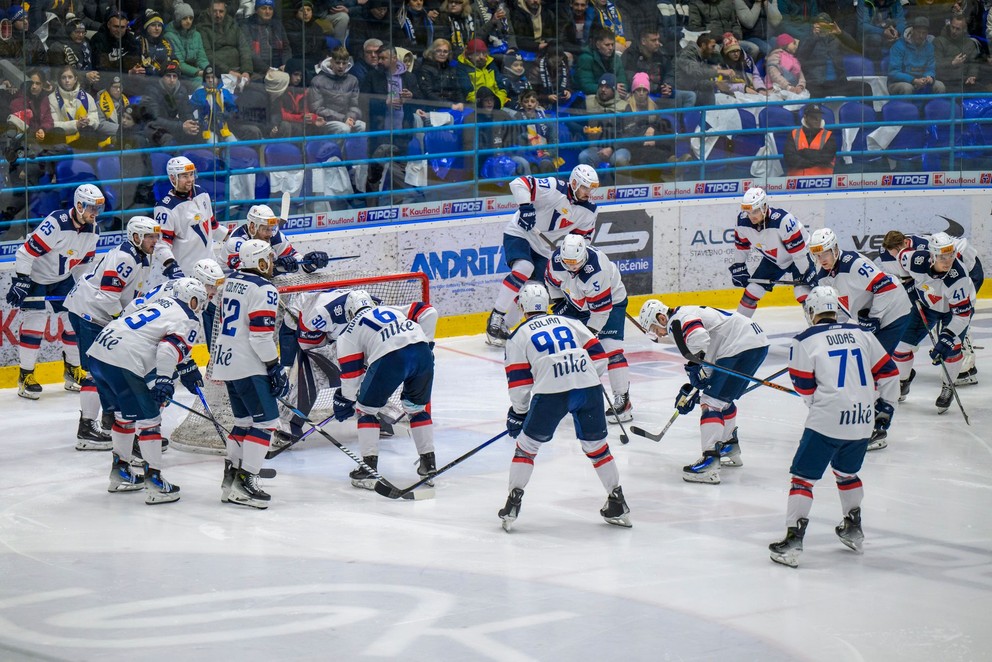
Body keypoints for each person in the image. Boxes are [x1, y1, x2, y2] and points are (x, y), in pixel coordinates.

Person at [769, 285, 899, 567]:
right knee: (847, 473)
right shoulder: (862, 334)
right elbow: (889, 372)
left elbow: (804, 387)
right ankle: (853, 527)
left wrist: (822, 403)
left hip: (827, 420)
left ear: (812, 311)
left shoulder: (804, 340)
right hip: (863, 419)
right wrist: (885, 410)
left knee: (803, 479)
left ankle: (793, 541)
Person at [499, 282, 630, 531]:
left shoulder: (517, 336)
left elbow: (519, 385)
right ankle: (617, 500)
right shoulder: (570, 322)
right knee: (597, 447)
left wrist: (519, 413)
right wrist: (583, 375)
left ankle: (513, 503)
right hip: (587, 386)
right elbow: (600, 357)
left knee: (527, 447)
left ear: (522, 306)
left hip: (551, 392)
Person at [87, 278, 206, 504]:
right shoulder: (189, 318)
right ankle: (155, 481)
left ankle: (120, 472)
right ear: (193, 299)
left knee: (123, 417)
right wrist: (164, 380)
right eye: (200, 300)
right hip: (123, 359)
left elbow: (148, 328)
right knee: (150, 419)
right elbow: (167, 349)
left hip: (99, 352)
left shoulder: (161, 303)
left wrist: (186, 366)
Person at [638, 297, 769, 483]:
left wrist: (701, 375)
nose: (657, 333)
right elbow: (703, 354)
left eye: (653, 328)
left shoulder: (678, 320)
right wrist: (695, 385)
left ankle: (710, 460)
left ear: (661, 318)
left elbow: (700, 339)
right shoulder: (681, 316)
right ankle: (728, 445)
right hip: (754, 341)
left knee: (710, 402)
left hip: (739, 345)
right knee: (722, 399)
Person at [64, 216, 164, 451]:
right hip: (89, 313)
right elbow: (108, 296)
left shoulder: (140, 257)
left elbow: (129, 295)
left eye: (156, 236)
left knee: (110, 370)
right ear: (136, 236)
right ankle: (86, 428)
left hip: (98, 312)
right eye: (150, 236)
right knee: (95, 372)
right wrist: (123, 322)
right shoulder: (125, 258)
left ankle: (111, 418)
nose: (155, 241)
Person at [807, 228, 912, 450]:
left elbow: (885, 286)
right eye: (816, 255)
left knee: (874, 369)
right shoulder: (824, 278)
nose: (821, 259)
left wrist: (873, 318)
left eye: (824, 253)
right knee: (862, 368)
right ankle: (866, 417)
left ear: (835, 248)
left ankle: (880, 424)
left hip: (893, 312)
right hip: (871, 318)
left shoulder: (852, 263)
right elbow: (841, 311)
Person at [330, 289, 438, 489]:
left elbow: (351, 381)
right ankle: (428, 465)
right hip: (422, 352)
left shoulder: (349, 332)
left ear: (349, 312)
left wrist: (345, 400)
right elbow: (429, 312)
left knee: (366, 410)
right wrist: (427, 344)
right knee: (416, 409)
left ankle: (368, 470)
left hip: (391, 358)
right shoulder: (391, 309)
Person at [6, 184, 103, 401]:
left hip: (62, 278)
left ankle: (72, 370)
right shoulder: (57, 222)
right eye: (91, 208)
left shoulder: (94, 230)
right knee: (35, 322)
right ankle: (26, 376)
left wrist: (83, 290)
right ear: (79, 205)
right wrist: (22, 280)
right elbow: (25, 253)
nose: (95, 214)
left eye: (98, 209)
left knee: (73, 322)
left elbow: (84, 266)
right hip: (36, 276)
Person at [210, 240, 288, 509]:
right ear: (259, 261)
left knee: (243, 421)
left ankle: (231, 478)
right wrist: (274, 365)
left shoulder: (232, 281)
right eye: (268, 257)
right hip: (249, 363)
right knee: (266, 423)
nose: (272, 262)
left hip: (225, 361)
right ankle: (247, 481)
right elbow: (261, 337)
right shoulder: (265, 289)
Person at [485, 165, 599, 346]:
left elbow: (583, 241)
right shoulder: (554, 187)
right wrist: (525, 208)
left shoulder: (589, 211)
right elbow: (519, 183)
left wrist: (574, 256)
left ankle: (504, 327)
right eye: (586, 187)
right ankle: (496, 317)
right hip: (520, 232)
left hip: (543, 248)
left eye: (592, 189)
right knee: (524, 267)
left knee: (535, 289)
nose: (589, 193)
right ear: (575, 182)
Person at [878, 229, 982, 388]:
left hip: (968, 268)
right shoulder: (905, 255)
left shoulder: (929, 251)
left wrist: (949, 335)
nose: (896, 256)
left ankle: (965, 359)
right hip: (944, 269)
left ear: (906, 243)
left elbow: (955, 270)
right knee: (934, 306)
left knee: (954, 314)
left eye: (897, 252)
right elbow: (908, 276)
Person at [546, 234, 633, 422]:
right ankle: (569, 397)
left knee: (611, 350)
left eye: (575, 263)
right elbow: (551, 282)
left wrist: (590, 337)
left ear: (583, 256)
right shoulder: (556, 262)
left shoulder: (596, 271)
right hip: (576, 303)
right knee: (566, 348)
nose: (571, 267)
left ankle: (623, 400)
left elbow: (601, 311)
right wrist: (559, 302)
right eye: (567, 262)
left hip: (610, 304)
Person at [730, 187, 818, 317]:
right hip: (774, 260)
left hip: (800, 256)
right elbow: (741, 247)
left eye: (755, 211)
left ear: (764, 207)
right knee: (752, 290)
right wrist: (739, 266)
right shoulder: (742, 221)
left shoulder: (783, 221)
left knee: (802, 291)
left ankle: (819, 326)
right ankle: (737, 328)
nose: (751, 216)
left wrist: (806, 272)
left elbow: (798, 253)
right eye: (748, 212)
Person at [153, 156, 227, 277]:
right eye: (184, 176)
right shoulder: (165, 208)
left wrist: (235, 236)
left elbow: (213, 228)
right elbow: (161, 245)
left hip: (210, 268)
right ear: (173, 178)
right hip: (186, 274)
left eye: (191, 174)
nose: (190, 179)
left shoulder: (202, 193)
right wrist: (171, 265)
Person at [887, 17, 946, 96]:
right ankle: (907, 108)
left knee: (940, 86)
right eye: (918, 32)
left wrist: (929, 77)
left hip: (922, 81)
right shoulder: (898, 46)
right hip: (899, 83)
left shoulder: (929, 47)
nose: (921, 36)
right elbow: (893, 73)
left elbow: (931, 68)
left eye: (924, 33)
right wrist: (913, 80)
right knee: (907, 88)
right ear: (912, 30)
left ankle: (934, 108)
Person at [783, 105, 837, 176]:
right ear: (805, 118)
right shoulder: (794, 134)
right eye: (813, 117)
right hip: (796, 183)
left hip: (822, 182)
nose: (817, 120)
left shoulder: (829, 136)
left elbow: (826, 158)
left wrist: (804, 153)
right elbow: (789, 158)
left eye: (819, 117)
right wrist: (814, 161)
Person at [165, 2, 210, 88]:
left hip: (197, 73)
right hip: (179, 75)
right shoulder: (169, 36)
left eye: (191, 18)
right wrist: (198, 72)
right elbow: (179, 63)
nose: (188, 21)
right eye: (185, 18)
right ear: (178, 20)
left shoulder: (197, 35)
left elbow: (201, 58)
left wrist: (208, 70)